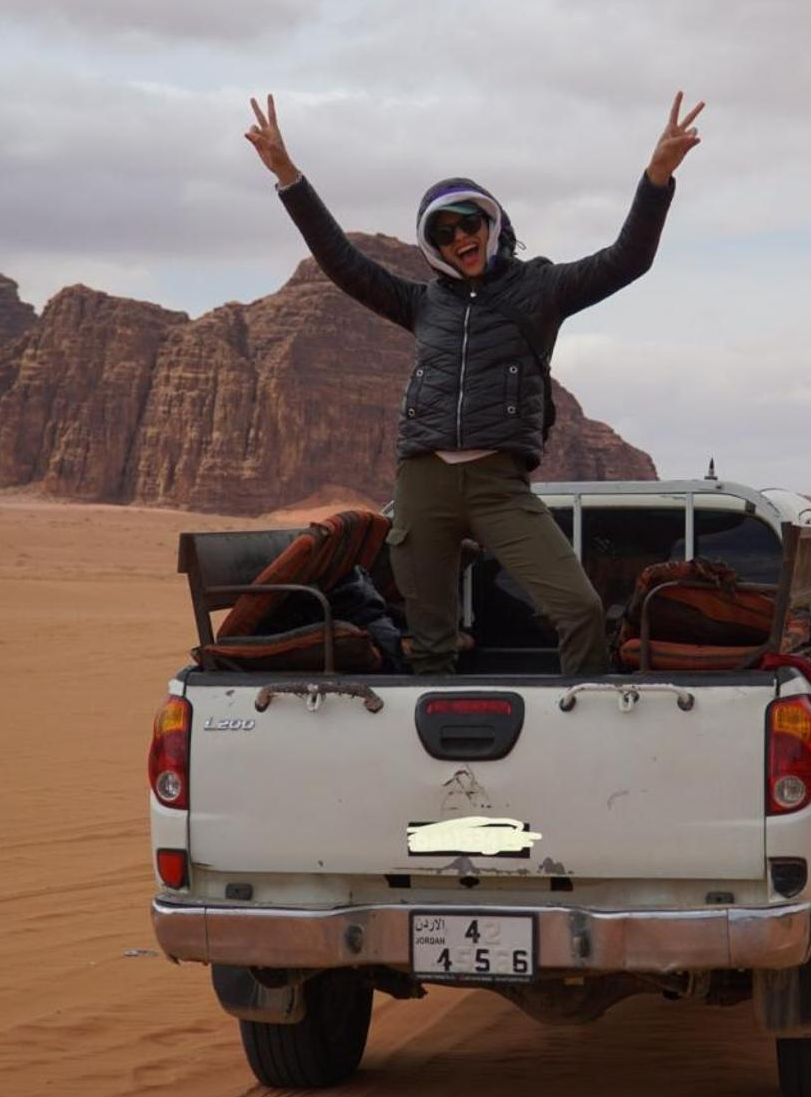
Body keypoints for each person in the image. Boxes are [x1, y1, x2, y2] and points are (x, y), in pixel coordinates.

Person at [245, 91, 704, 675]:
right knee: (430, 643)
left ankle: (585, 713)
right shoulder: (422, 303)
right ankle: (439, 731)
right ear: (433, 248)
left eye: (469, 223)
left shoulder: (541, 289)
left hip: (498, 487)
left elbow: (627, 259)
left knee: (580, 608)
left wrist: (657, 177)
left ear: (492, 223)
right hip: (424, 484)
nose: (459, 237)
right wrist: (288, 177)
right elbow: (343, 263)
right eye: (443, 232)